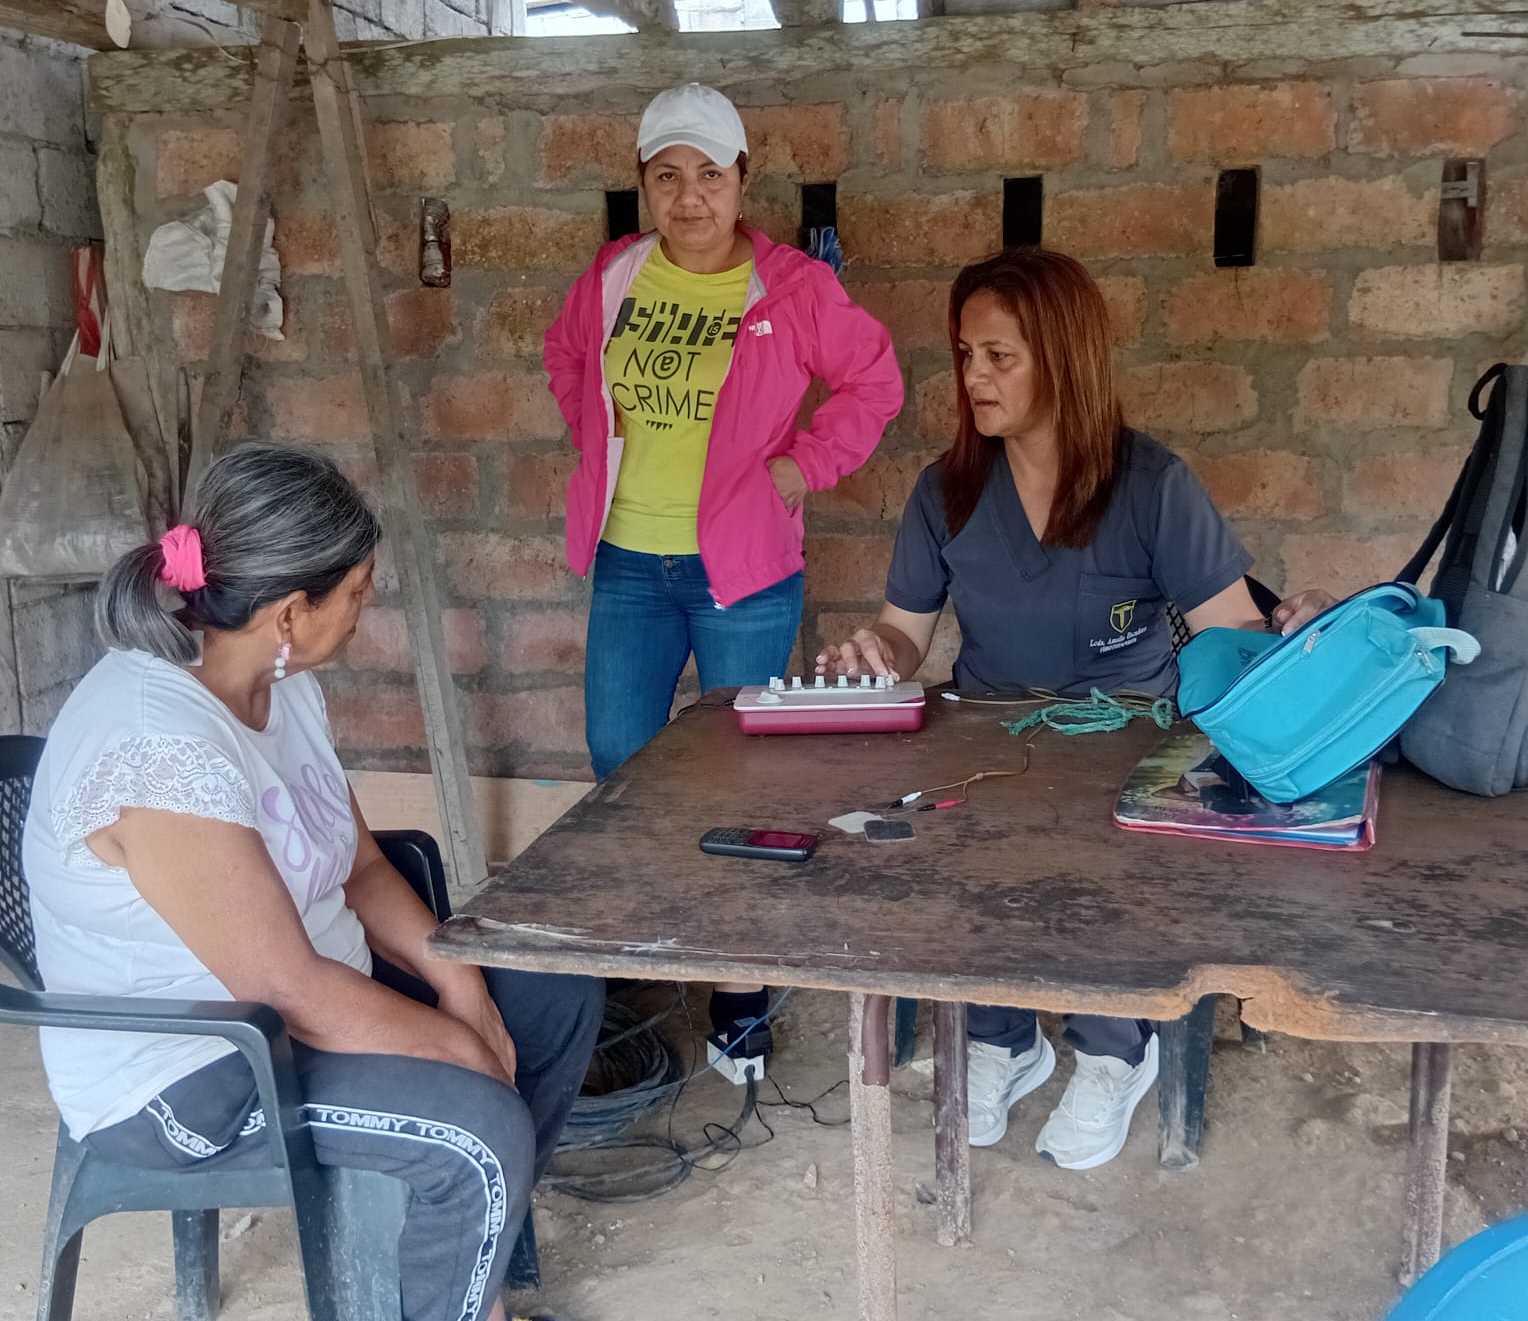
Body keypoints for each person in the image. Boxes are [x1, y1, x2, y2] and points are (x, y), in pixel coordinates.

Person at [23, 442, 603, 1321]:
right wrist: (461, 1052)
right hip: (189, 1067)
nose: (366, 610)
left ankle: (457, 1264)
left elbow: (358, 866)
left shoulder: (279, 680)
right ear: (291, 610)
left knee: (554, 993)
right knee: (477, 1123)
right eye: (359, 593)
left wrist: (456, 981)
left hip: (306, 996)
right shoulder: (156, 748)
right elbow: (284, 989)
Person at [817, 248, 1332, 1172]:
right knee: (969, 847)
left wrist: (1297, 629)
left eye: (1000, 357)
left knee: (1109, 860)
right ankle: (1003, 1042)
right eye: (966, 354)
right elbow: (904, 634)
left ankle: (1114, 1052)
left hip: (1124, 739)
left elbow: (1234, 638)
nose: (974, 377)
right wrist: (873, 654)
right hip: (989, 733)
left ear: (1062, 358)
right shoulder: (946, 492)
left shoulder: (1151, 485)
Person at [544, 82, 903, 1058]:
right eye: (667, 176)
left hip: (740, 571)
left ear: (743, 179)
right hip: (628, 560)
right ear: (643, 184)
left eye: (709, 173)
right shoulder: (615, 275)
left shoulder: (791, 287)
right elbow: (568, 357)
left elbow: (874, 382)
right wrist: (596, 443)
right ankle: (659, 935)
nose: (689, 196)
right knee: (620, 755)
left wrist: (803, 466)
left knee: (741, 775)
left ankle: (741, 985)